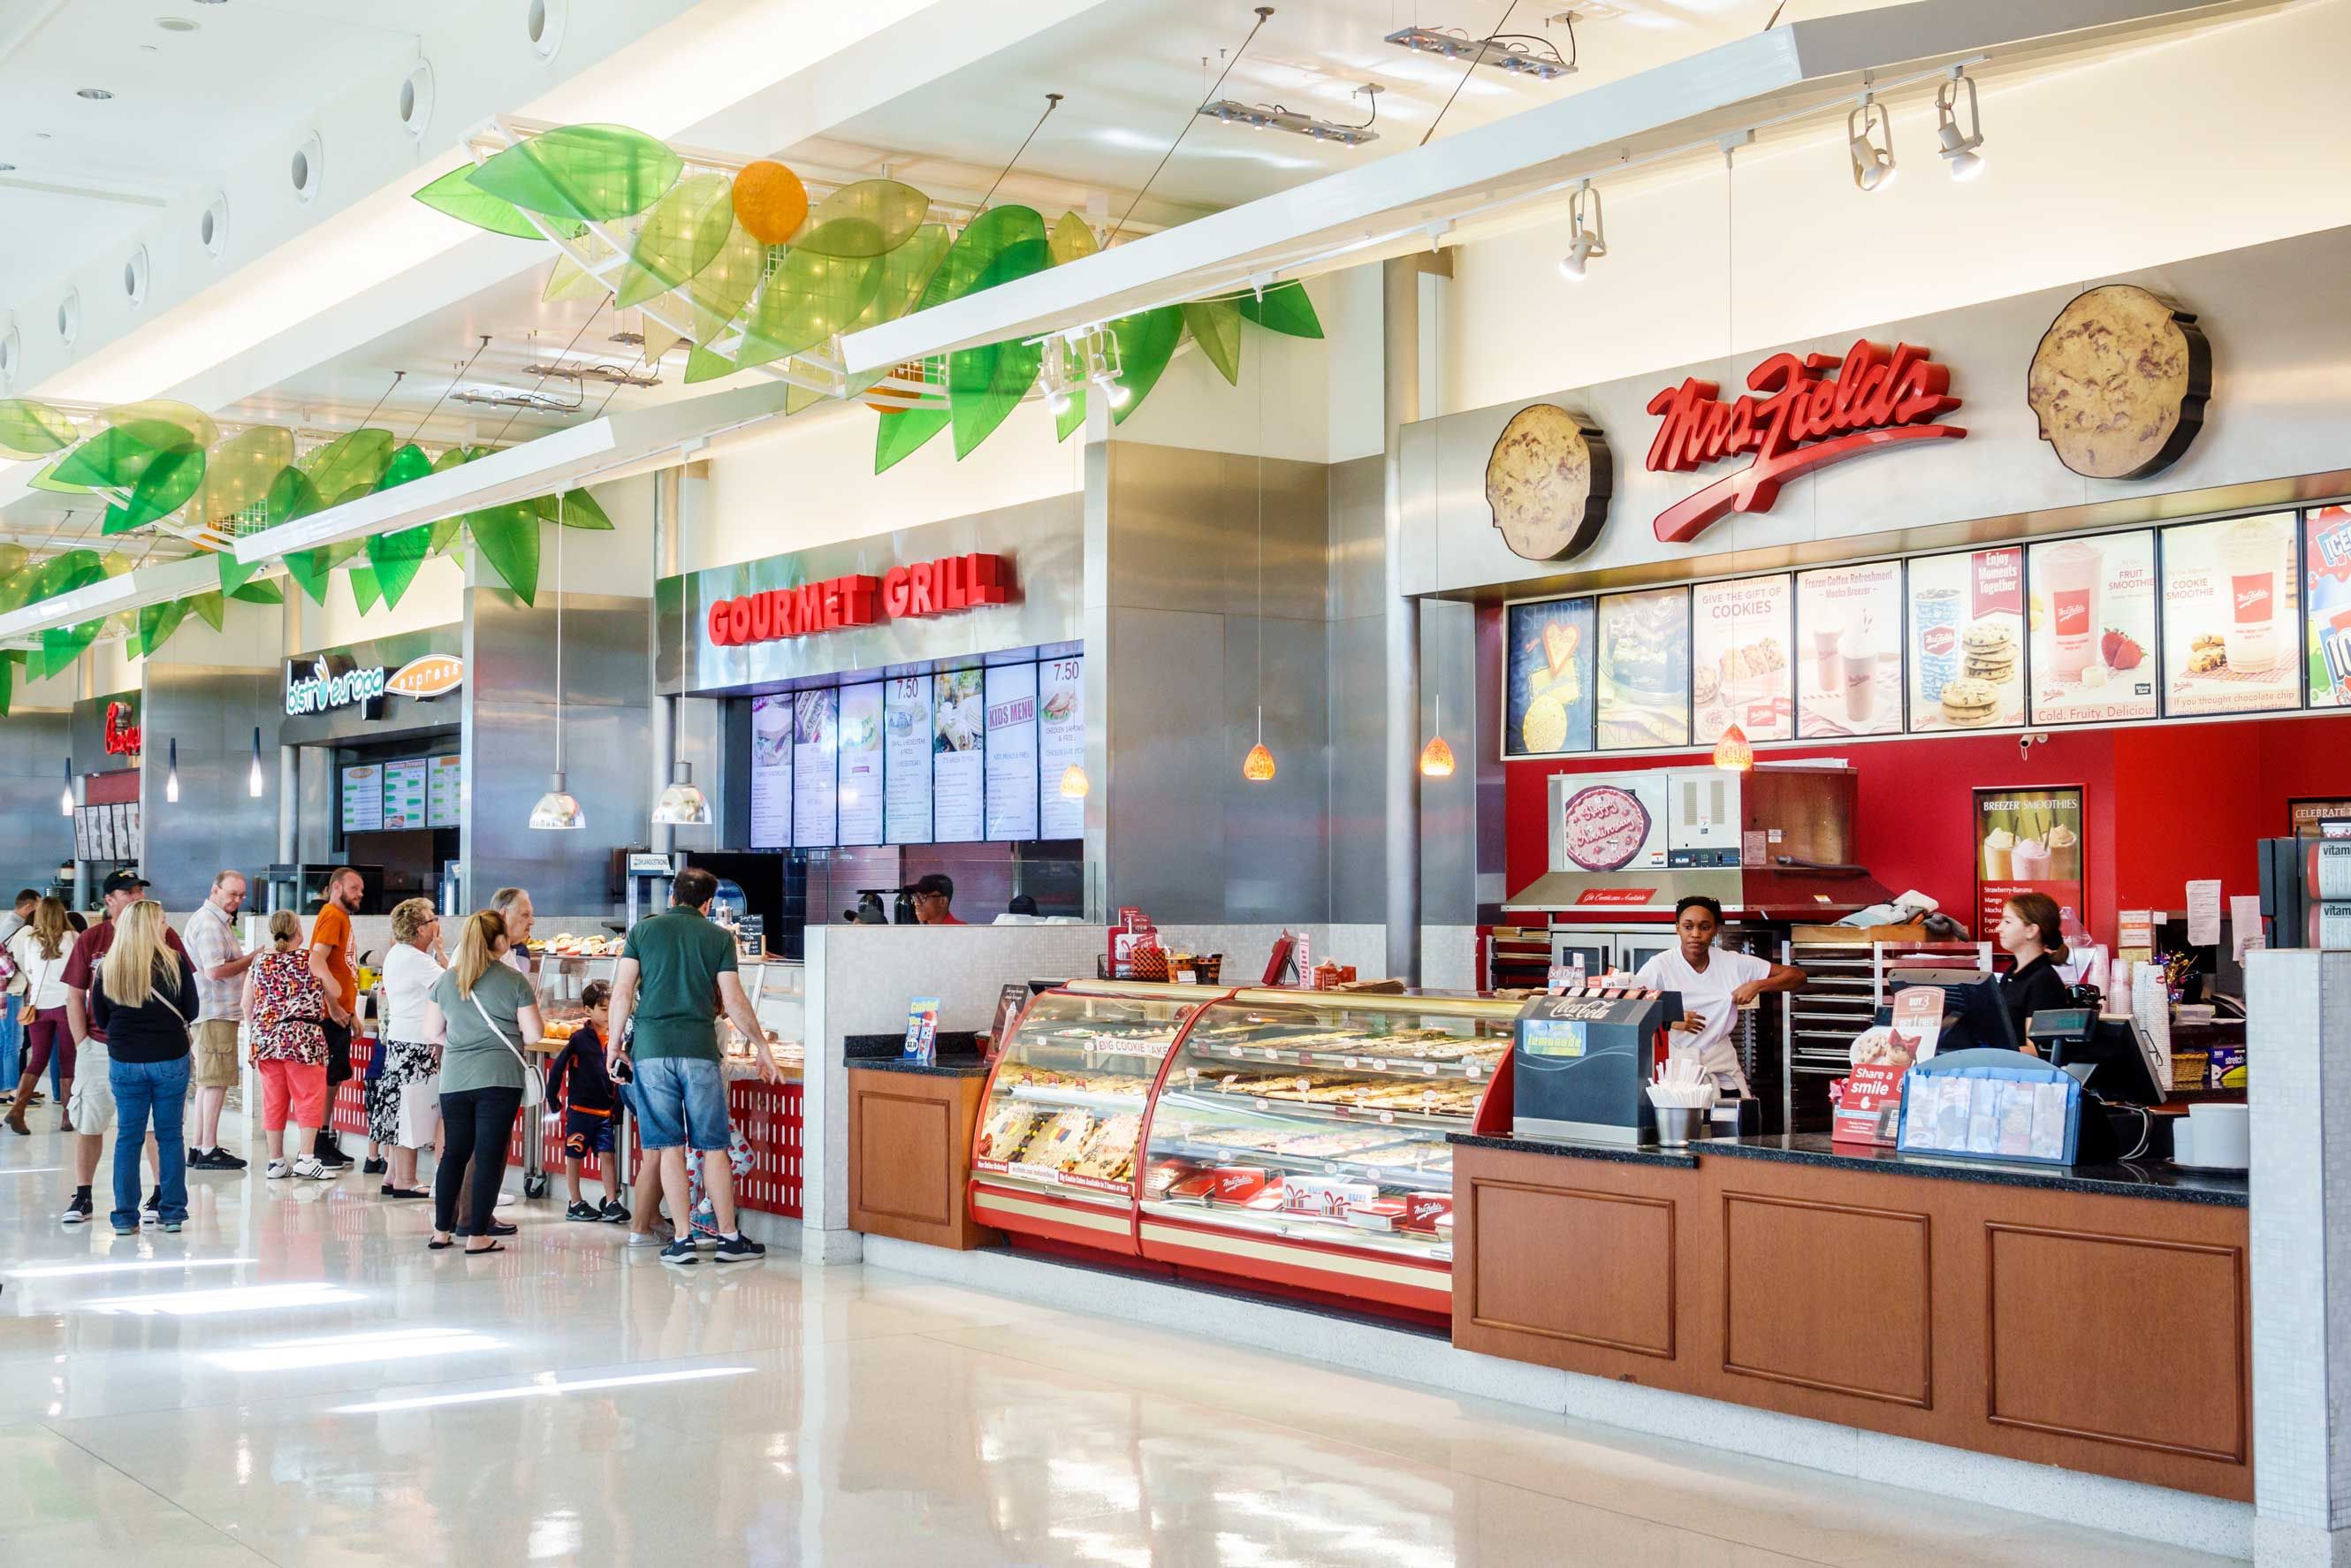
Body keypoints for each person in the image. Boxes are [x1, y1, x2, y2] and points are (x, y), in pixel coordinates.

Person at [609, 865, 780, 1266]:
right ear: (707, 904)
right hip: (700, 1050)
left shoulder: (642, 932)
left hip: (650, 1051)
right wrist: (761, 1047)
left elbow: (621, 991)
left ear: (672, 897)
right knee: (714, 1147)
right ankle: (729, 1238)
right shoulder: (719, 937)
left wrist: (614, 1046)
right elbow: (734, 1000)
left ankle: (682, 1240)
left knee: (669, 1146)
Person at [58, 872, 178, 1226]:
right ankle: (83, 1194)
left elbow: (185, 989)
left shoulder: (165, 936)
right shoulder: (93, 940)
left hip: (154, 1051)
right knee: (91, 1120)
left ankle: (158, 1194)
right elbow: (76, 995)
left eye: (140, 891)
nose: (137, 896)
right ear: (109, 899)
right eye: (130, 892)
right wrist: (83, 1042)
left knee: (156, 1127)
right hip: (100, 1046)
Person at [429, 910, 544, 1255]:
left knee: (454, 1154)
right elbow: (535, 1033)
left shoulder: (447, 981)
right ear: (500, 941)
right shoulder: (514, 980)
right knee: (490, 1156)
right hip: (498, 1078)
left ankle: (441, 1233)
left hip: (454, 1079)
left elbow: (431, 1031)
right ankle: (477, 1234)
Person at [88, 900, 198, 1235]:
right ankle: (173, 1213)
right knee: (169, 1136)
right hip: (169, 1058)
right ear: (151, 925)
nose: (166, 925)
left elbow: (102, 1018)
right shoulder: (174, 962)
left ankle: (124, 1217)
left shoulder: (109, 966)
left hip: (125, 1060)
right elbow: (191, 1010)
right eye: (163, 920)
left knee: (127, 1138)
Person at [1632, 895, 1807, 1100]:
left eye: (1704, 927)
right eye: (1688, 927)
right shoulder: (1660, 965)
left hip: (1720, 1063)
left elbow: (1797, 976)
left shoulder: (1733, 963)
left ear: (1716, 929)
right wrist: (1670, 1021)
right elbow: (1632, 1009)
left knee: (1732, 1125)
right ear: (1677, 928)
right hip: (1679, 1066)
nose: (1695, 934)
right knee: (1687, 1128)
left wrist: (1757, 985)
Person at [245, 910, 335, 1181]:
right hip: (302, 1038)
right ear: (298, 930)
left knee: (274, 1101)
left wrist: (261, 1031)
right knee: (308, 1096)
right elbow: (337, 990)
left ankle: (276, 1162)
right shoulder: (311, 958)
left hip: (266, 1039)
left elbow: (245, 1005)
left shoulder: (260, 961)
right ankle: (306, 1158)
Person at [183, 871, 258, 1171]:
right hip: (214, 1013)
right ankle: (208, 1148)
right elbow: (214, 971)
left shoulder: (214, 921)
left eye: (242, 896)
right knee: (215, 1082)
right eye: (232, 894)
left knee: (208, 1083)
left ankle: (200, 1145)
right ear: (215, 889)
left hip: (213, 1013)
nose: (238, 901)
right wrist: (251, 959)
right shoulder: (210, 924)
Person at [372, 898, 445, 1200]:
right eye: (431, 921)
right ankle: (406, 1179)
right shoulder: (418, 960)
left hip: (401, 1040)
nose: (436, 925)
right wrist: (441, 951)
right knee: (412, 1109)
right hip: (417, 1041)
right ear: (419, 929)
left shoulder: (397, 954)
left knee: (399, 1106)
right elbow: (453, 987)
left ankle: (393, 1174)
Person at [544, 979, 627, 1223]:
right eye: (603, 1009)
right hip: (580, 1111)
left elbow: (619, 1076)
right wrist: (552, 1096)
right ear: (588, 1010)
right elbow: (558, 1068)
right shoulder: (579, 1039)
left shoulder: (616, 1040)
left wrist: (618, 1107)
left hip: (604, 1111)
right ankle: (575, 1201)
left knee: (607, 1154)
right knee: (575, 1154)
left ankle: (611, 1201)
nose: (609, 1014)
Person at [4, 897, 76, 1136]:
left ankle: (18, 1109)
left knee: (38, 1058)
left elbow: (30, 972)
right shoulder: (74, 938)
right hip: (66, 1005)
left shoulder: (30, 940)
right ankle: (68, 1116)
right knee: (68, 1059)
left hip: (38, 1005)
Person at [308, 867, 363, 1169]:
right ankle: (319, 1140)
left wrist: (350, 1010)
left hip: (341, 1014)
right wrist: (333, 1005)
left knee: (335, 1079)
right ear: (337, 887)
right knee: (328, 1080)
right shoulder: (332, 915)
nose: (360, 895)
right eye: (355, 888)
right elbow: (316, 961)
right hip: (330, 1017)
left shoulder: (341, 918)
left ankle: (324, 1137)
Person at [1996, 892, 2076, 1054]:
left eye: (2007, 922)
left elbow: (2035, 1051)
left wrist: (1988, 1054)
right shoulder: (2012, 974)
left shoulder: (2043, 981)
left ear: (2031, 930)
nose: (1999, 928)